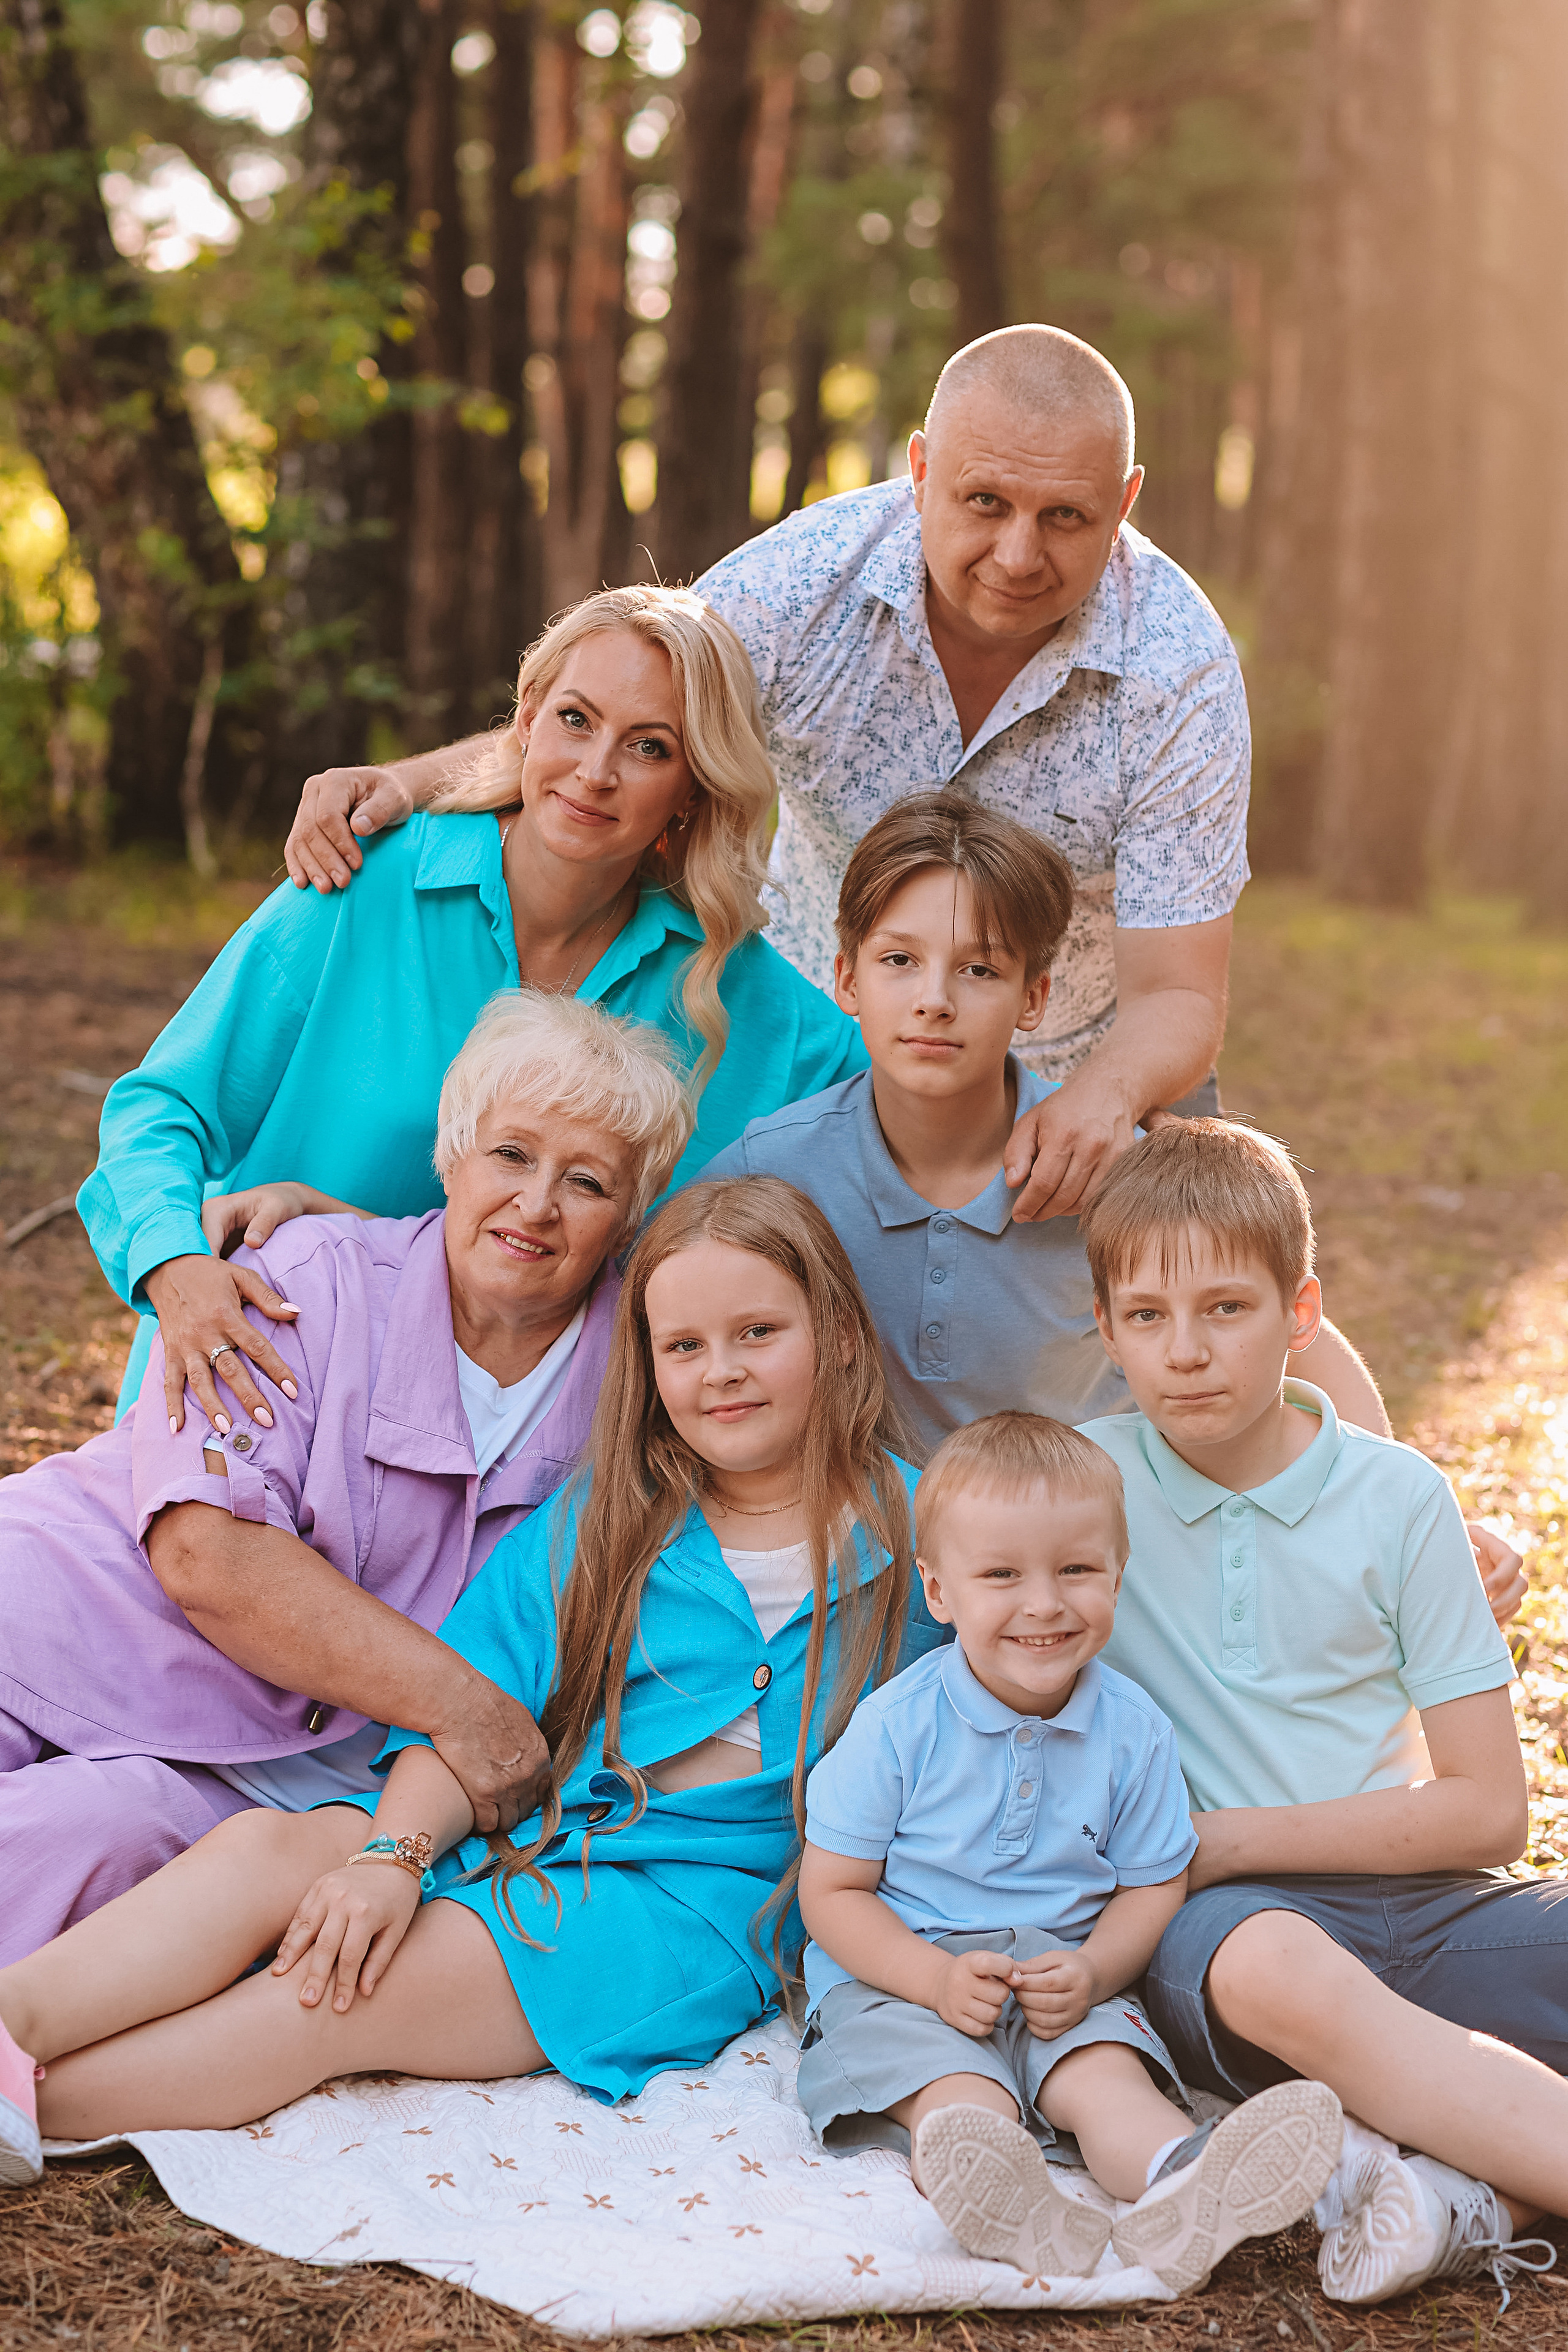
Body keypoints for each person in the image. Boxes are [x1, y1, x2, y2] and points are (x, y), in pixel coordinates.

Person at [0, 1177, 943, 2179]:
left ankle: (37, 2106)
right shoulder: (611, 1522)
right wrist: (391, 1859)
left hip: (686, 1909)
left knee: (341, 1987)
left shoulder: (926, 1536)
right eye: (684, 1347)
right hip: (534, 1829)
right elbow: (472, 1704)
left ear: (840, 1335)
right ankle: (13, 2021)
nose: (723, 1373)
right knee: (279, 1849)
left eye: (759, 1333)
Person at [279, 323, 1249, 1224]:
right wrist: (407, 784)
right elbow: (615, 720)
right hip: (825, 1040)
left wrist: (1101, 1103)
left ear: (1123, 504)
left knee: (1206, 1288)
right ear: (919, 471)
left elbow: (1179, 996)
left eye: (1067, 517)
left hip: (1080, 1061)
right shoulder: (803, 582)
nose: (1017, 554)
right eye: (984, 502)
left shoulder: (1182, 673)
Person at [0, 992, 690, 1966]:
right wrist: (468, 1708)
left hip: (260, 1776)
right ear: (452, 1156)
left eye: (587, 1181)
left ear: (630, 1212)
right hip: (59, 1616)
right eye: (510, 1156)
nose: (537, 1204)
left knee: (97, 1833)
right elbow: (207, 1552)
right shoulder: (303, 1279)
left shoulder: (646, 1377)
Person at [81, 584, 865, 1426]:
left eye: (648, 747)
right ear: (526, 719)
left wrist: (1027, 1114)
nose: (595, 772)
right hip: (263, 1388)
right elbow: (163, 1107)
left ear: (692, 787)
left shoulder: (730, 987)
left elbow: (906, 1099)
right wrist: (174, 1265)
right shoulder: (366, 882)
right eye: (575, 720)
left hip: (523, 1469)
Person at [1077, 1121, 1568, 2304]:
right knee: (1277, 1970)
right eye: (1146, 1317)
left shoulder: (1399, 1499)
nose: (1186, 1353)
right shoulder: (1081, 1489)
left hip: (1428, 1911)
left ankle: (1464, 2191)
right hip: (1229, 1937)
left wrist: (1228, 1836)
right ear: (1104, 1332)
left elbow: (1489, 1811)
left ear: (1301, 1315)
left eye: (1226, 1310)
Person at [796, 1411, 1344, 2295]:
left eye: (1077, 1570)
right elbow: (833, 1892)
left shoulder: (1132, 1731)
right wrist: (932, 1980)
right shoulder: (898, 1726)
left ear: (1118, 1578)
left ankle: (1187, 2187)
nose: (1045, 1603)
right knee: (957, 2099)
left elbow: (1150, 1887)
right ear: (940, 1592)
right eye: (1002, 1575)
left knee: (1106, 2085)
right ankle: (1014, 2209)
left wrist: (1093, 1972)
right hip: (906, 1975)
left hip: (1063, 1976)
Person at [699, 792, 1388, 1457]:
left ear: (1033, 997)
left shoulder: (1115, 1167)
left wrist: (1412, 1508)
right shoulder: (772, 1169)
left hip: (1094, 1553)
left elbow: (1283, 1327)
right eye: (899, 962)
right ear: (846, 979)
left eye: (978, 969)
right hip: (880, 1558)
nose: (934, 1001)